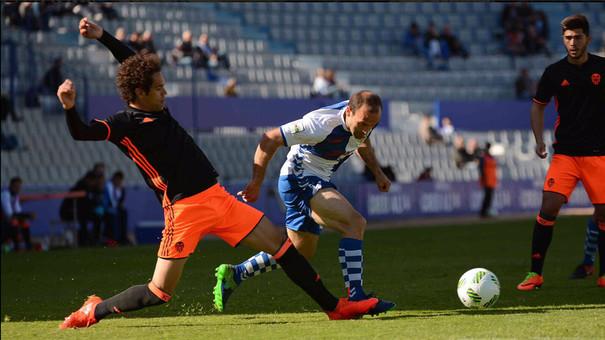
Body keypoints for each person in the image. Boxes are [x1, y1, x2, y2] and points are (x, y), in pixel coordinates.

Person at [58, 18, 387, 330]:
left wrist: (102, 36)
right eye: (158, 88)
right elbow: (81, 133)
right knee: (158, 293)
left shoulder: (158, 108)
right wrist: (70, 107)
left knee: (285, 250)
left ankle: (335, 308)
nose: (165, 92)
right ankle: (94, 310)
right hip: (183, 210)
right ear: (140, 93)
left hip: (218, 198)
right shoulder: (124, 125)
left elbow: (132, 63)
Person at [212, 91, 395, 313]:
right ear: (349, 112)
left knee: (299, 252)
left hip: (316, 180)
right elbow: (270, 138)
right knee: (354, 223)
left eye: (372, 125)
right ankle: (356, 295)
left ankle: (237, 273)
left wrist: (377, 172)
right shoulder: (319, 124)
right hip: (298, 179)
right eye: (364, 123)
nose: (367, 129)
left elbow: (362, 141)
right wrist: (256, 182)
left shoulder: (362, 119)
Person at [516, 15, 605, 291]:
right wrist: (539, 139)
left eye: (578, 37)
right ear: (563, 40)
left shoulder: (602, 68)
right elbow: (537, 106)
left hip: (599, 154)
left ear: (587, 39)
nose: (573, 42)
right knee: (549, 206)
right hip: (565, 153)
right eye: (568, 38)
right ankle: (535, 274)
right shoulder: (554, 73)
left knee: (603, 213)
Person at [1, 177, 35, 251]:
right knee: (14, 222)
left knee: (24, 222)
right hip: (3, 222)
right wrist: (28, 215)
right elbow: (9, 214)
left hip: (7, 222)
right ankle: (17, 247)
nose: (18, 189)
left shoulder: (15, 196)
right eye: (16, 186)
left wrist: (26, 216)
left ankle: (28, 246)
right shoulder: (5, 195)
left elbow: (18, 212)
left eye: (19, 187)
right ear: (11, 186)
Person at [103, 171, 129, 245]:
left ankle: (123, 237)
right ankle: (114, 238)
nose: (119, 181)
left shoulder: (120, 189)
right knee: (113, 215)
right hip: (108, 209)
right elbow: (108, 201)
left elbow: (120, 201)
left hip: (116, 209)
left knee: (124, 212)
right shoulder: (108, 187)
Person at [478, 143, 497, 218]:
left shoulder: (490, 157)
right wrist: (483, 179)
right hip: (487, 180)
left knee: (489, 197)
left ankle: (486, 211)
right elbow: (481, 169)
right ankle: (483, 212)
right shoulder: (484, 158)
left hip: (491, 180)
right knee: (487, 197)